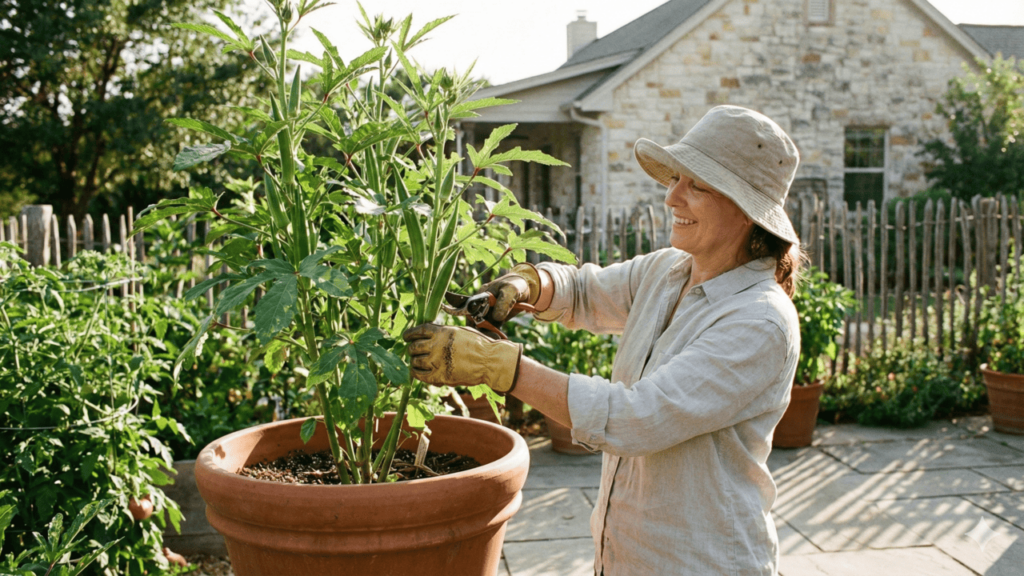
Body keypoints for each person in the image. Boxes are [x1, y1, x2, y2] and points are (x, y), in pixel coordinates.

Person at [404, 105, 803, 575]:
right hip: (626, 556)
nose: (672, 196)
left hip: (704, 561)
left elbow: (637, 419)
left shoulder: (760, 321)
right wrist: (527, 285)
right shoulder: (668, 272)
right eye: (676, 177)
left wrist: (501, 368)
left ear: (744, 209)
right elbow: (585, 290)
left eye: (696, 184)